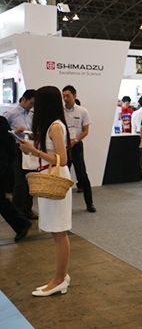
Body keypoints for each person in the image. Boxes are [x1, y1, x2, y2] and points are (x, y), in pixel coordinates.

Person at [18, 86, 73, 296]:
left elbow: (62, 159)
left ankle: (59, 280)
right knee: (56, 230)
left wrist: (33, 150)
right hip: (50, 176)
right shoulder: (51, 125)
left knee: (59, 231)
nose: (34, 107)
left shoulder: (56, 127)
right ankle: (61, 276)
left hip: (55, 177)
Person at [62, 85, 96, 213]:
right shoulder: (59, 111)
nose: (65, 98)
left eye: (68, 96)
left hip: (76, 146)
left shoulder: (82, 111)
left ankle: (90, 203)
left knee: (82, 174)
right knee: (63, 175)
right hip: (63, 146)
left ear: (75, 95)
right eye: (64, 96)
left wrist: (75, 140)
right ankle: (62, 206)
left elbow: (85, 131)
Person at [4, 89, 36, 220]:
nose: (32, 106)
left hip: (31, 148)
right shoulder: (10, 114)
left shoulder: (32, 114)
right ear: (23, 99)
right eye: (31, 103)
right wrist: (15, 131)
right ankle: (17, 213)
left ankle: (28, 209)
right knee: (20, 182)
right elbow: (3, 132)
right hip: (17, 149)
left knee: (31, 180)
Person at [0, 115, 32, 241]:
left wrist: (7, 168)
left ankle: (21, 224)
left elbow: (10, 145)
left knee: (1, 200)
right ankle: (21, 224)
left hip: (2, 168)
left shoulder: (1, 121)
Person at [131, 96, 142, 180]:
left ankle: (141, 173)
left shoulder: (135, 113)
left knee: (140, 155)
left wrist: (134, 134)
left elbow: (133, 126)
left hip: (138, 134)